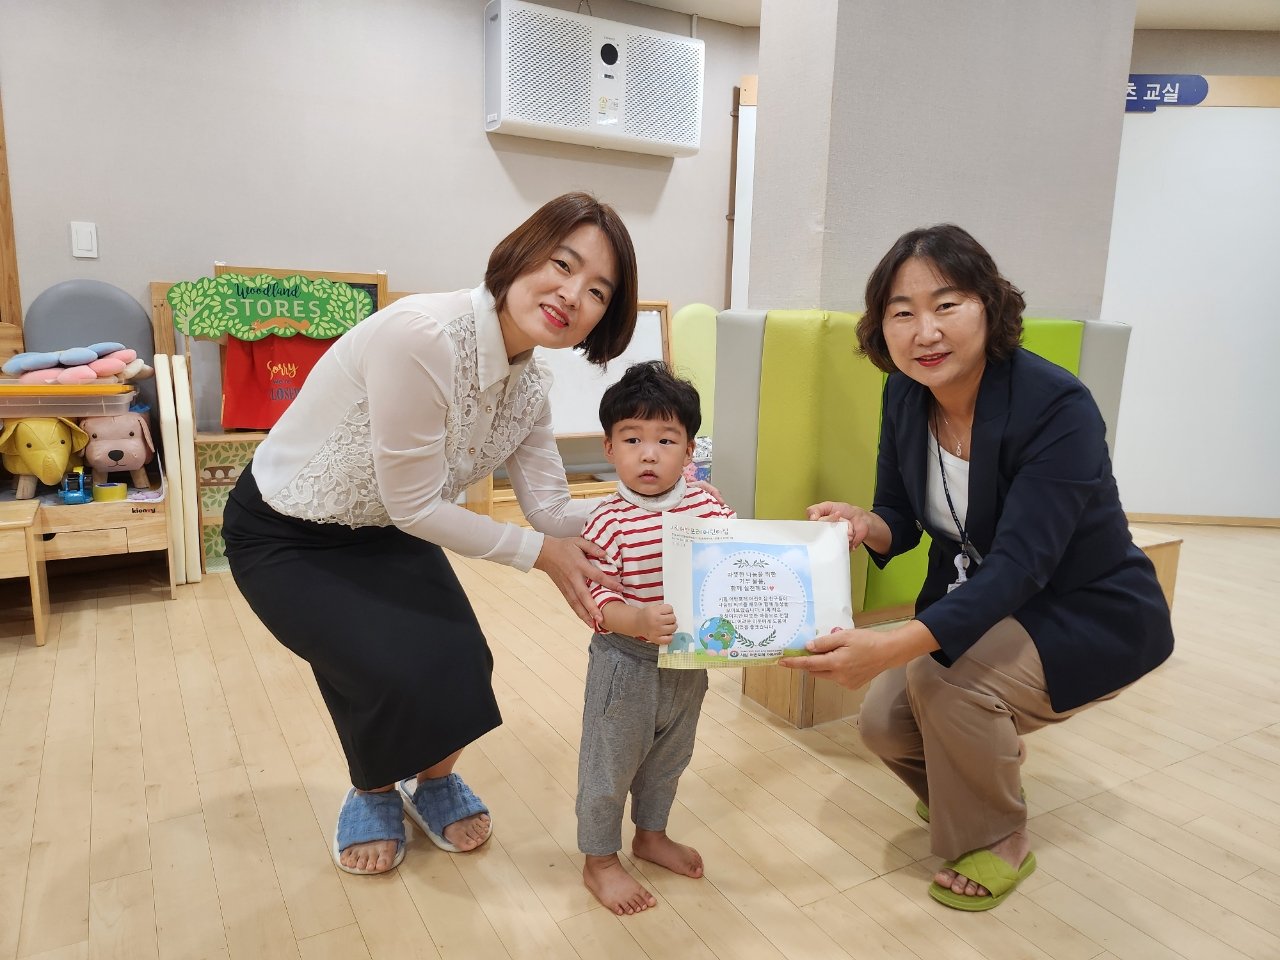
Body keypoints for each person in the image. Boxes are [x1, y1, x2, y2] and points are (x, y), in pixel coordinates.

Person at [222, 192, 639, 876]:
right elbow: (420, 506)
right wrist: (540, 557)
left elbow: (550, 509)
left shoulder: (530, 387)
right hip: (286, 531)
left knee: (462, 659)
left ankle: (436, 781)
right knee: (381, 668)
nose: (572, 294)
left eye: (597, 291)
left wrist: (650, 514)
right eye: (563, 265)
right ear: (521, 253)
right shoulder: (421, 336)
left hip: (385, 525)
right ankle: (373, 789)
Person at [781, 224, 1174, 911]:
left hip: (1083, 609)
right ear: (881, 327)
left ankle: (999, 837)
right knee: (882, 724)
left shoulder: (1056, 406)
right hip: (982, 602)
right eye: (902, 312)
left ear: (988, 307)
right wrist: (865, 524)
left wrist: (891, 646)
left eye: (946, 304)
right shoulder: (905, 396)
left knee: (943, 680)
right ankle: (972, 790)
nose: (925, 332)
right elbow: (900, 516)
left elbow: (1021, 564)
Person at [575, 361, 734, 915]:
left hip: (688, 662)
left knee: (669, 758)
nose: (649, 454)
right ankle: (599, 859)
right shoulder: (607, 520)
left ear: (689, 450)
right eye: (632, 439)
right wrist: (634, 620)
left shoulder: (707, 505)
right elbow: (595, 600)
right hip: (625, 663)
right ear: (609, 447)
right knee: (609, 764)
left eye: (666, 440)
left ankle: (650, 835)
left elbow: (734, 562)